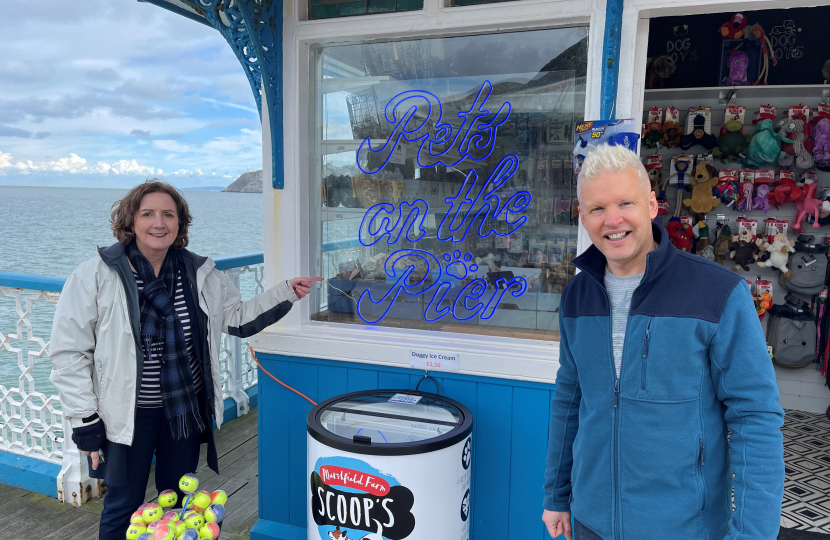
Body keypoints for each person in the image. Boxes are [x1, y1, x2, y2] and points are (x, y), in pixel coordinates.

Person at [49, 181, 321, 540]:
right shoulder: (97, 274)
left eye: (168, 214)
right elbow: (69, 352)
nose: (158, 223)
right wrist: (85, 421)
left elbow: (236, 317)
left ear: (180, 223)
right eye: (148, 214)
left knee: (177, 501)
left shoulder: (199, 273)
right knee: (122, 504)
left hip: (184, 410)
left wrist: (286, 291)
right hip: (125, 415)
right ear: (131, 221)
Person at [541, 144, 784, 540]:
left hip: (684, 528)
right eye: (597, 209)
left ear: (652, 205)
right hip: (591, 524)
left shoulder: (717, 293)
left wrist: (753, 533)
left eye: (626, 203)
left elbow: (755, 416)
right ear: (582, 218)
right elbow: (570, 399)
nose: (612, 220)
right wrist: (556, 494)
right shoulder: (576, 296)